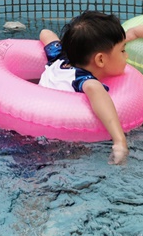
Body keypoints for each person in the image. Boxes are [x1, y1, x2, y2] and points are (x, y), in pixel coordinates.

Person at [39, 11, 129, 164]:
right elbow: (96, 91)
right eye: (122, 50)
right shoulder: (84, 80)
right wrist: (120, 141)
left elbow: (45, 33)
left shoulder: (58, 56)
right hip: (57, 146)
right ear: (100, 59)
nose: (126, 56)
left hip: (32, 131)